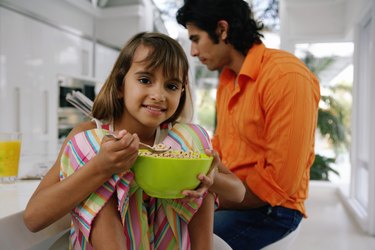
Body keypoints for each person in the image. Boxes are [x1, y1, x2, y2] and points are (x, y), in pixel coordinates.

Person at [23, 32, 245, 250]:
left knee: (193, 139)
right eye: (145, 80)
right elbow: (34, 218)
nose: (159, 94)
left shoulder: (181, 140)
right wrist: (101, 168)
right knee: (92, 142)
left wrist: (206, 176)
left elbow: (238, 192)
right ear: (120, 85)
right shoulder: (87, 135)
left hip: (169, 242)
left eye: (172, 86)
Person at [176, 0, 321, 249]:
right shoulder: (227, 79)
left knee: (183, 239)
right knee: (164, 224)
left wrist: (216, 197)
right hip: (235, 195)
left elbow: (278, 185)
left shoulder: (285, 77)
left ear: (222, 30)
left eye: (196, 38)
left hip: (273, 210)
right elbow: (219, 153)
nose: (193, 51)